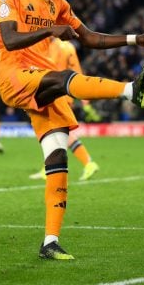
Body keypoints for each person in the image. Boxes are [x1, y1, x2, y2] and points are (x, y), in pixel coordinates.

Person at [0, 0, 144, 260]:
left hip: (41, 83)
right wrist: (51, 31)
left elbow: (90, 38)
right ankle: (130, 91)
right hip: (14, 76)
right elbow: (10, 40)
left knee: (57, 160)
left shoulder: (57, 2)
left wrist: (134, 39)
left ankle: (49, 242)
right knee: (63, 79)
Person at [29, 36, 100, 181]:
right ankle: (46, 168)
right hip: (67, 92)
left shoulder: (52, 47)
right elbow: (77, 72)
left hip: (54, 92)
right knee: (52, 132)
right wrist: (85, 100)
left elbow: (48, 69)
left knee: (60, 133)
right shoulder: (69, 46)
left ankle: (89, 163)